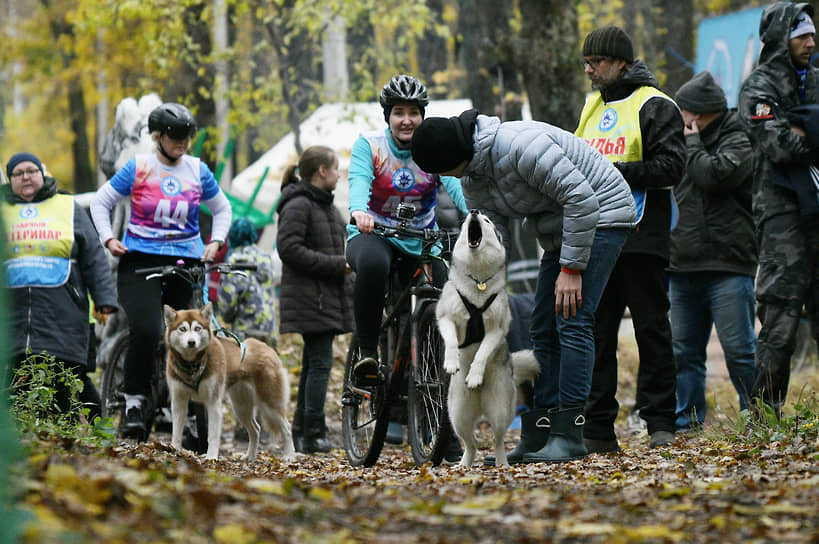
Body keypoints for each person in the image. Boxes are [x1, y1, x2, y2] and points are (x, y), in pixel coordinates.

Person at [412, 108, 636, 463]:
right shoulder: (473, 177)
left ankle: (570, 433)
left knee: (572, 319)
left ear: (453, 158)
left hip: (604, 214)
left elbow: (582, 199)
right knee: (541, 327)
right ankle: (539, 432)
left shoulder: (521, 146)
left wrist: (572, 269)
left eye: (441, 170)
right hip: (561, 228)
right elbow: (493, 238)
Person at [90, 102, 232, 439]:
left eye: (187, 136)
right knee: (149, 329)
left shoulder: (197, 170)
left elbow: (222, 208)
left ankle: (176, 402)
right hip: (141, 261)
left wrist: (216, 241)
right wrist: (109, 238)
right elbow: (101, 201)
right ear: (157, 136)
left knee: (188, 333)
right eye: (175, 136)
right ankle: (135, 400)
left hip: (185, 261)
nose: (182, 142)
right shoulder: (139, 166)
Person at [575, 25, 686, 451]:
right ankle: (598, 428)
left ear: (621, 62)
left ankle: (660, 421)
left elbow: (672, 167)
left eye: (597, 62)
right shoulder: (589, 108)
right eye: (586, 62)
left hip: (642, 238)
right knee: (597, 334)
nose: (590, 70)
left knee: (651, 330)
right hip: (596, 237)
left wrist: (613, 173)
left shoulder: (656, 105)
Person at [346, 74, 468, 456]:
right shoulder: (370, 146)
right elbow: (358, 181)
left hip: (422, 240)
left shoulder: (431, 146)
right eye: (398, 112)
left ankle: (443, 419)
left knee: (448, 297)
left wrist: (476, 216)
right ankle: (368, 352)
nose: (406, 121)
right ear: (388, 116)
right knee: (371, 266)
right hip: (374, 234)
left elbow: (457, 188)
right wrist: (357, 211)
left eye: (413, 113)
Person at [738, 2, 819, 416]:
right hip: (782, 218)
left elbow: (792, 138)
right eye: (801, 34)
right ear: (780, 38)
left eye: (812, 34)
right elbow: (774, 143)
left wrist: (806, 125)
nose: (811, 41)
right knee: (779, 321)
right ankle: (765, 417)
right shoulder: (758, 85)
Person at [669, 71, 757, 430]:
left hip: (728, 265)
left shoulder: (739, 138)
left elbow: (713, 176)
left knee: (740, 351)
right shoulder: (678, 140)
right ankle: (688, 423)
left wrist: (692, 145)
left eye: (685, 111)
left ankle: (757, 418)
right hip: (682, 267)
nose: (680, 118)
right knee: (684, 355)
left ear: (701, 115)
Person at [2, 153, 118, 420]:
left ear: (43, 174)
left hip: (63, 308)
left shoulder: (67, 206)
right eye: (18, 174)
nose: (26, 177)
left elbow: (93, 256)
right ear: (10, 181)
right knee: (15, 373)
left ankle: (93, 434)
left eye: (31, 170)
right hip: (12, 312)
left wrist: (104, 298)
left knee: (66, 373)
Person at [276, 146, 354, 454]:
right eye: (336, 168)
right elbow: (289, 248)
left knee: (313, 362)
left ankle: (300, 432)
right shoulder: (300, 205)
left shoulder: (326, 206)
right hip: (312, 298)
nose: (339, 174)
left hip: (323, 297)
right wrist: (338, 265)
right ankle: (314, 431)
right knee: (320, 363)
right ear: (322, 171)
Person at [217, 217, 278, 348]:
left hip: (245, 332)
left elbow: (226, 306)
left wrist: (228, 318)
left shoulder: (234, 264)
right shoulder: (265, 259)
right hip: (269, 329)